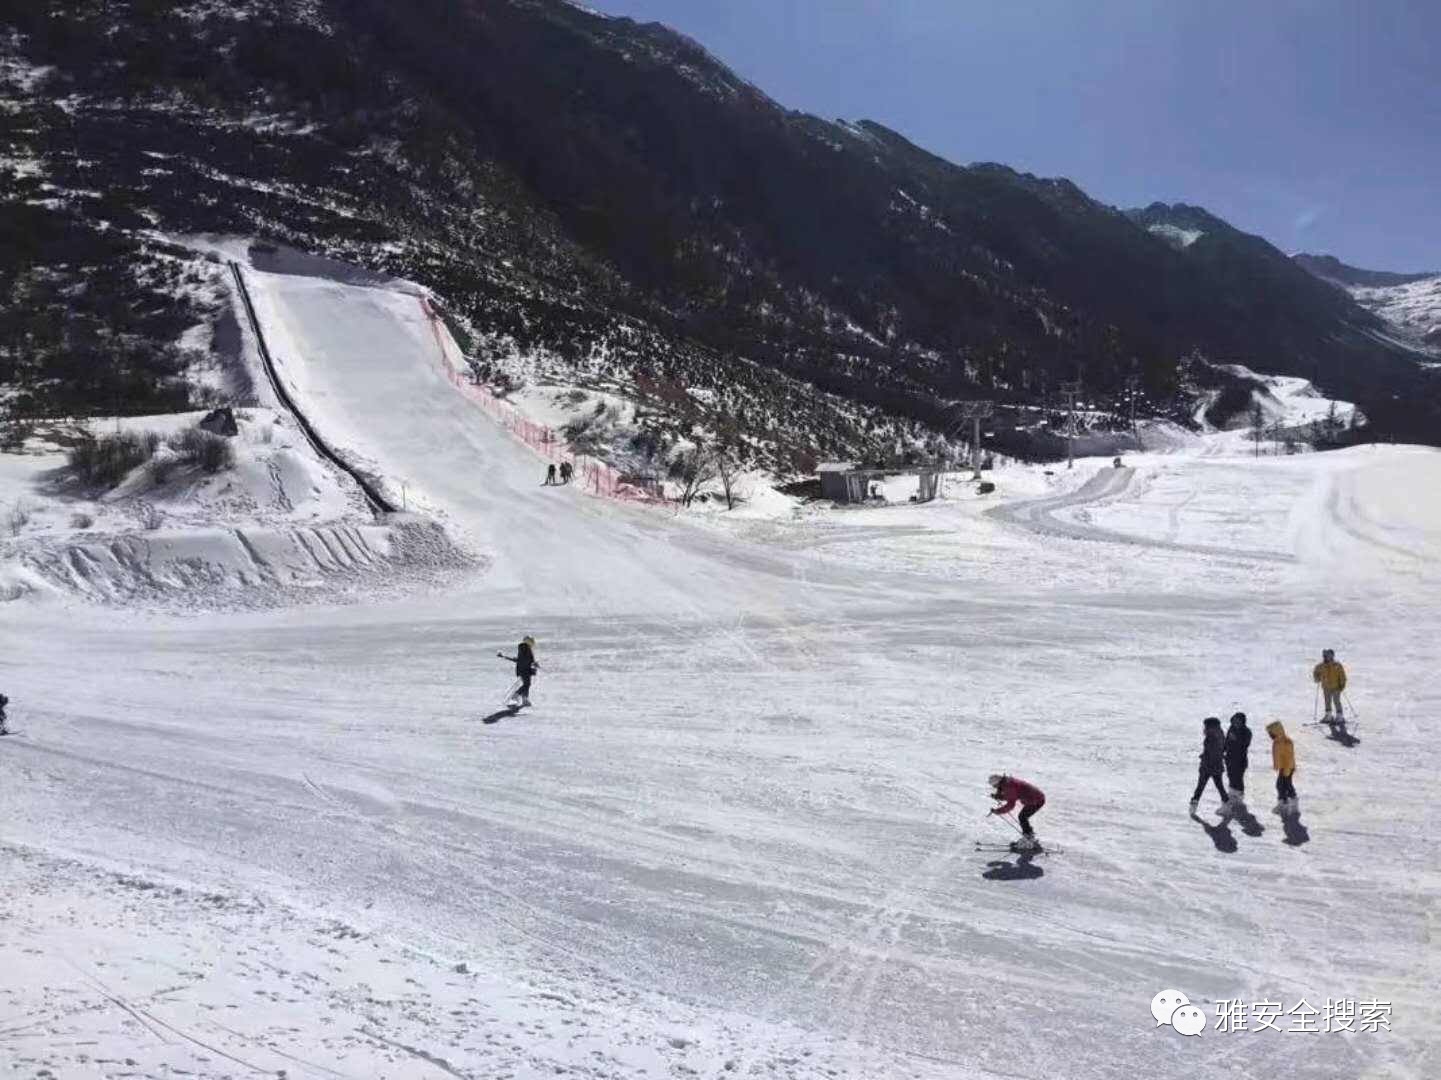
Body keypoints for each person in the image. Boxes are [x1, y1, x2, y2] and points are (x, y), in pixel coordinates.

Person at [988, 773, 1046, 851]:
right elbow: (1012, 795)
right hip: (1035, 798)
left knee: (1022, 817)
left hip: (1036, 800)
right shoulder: (1007, 782)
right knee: (1023, 817)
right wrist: (999, 796)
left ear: (998, 783)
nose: (995, 788)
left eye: (994, 786)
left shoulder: (1008, 786)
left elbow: (1011, 804)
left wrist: (998, 811)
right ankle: (1029, 837)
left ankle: (1029, 839)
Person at [1189, 716, 1230, 815]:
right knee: (1219, 786)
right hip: (1217, 765)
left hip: (1208, 766)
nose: (1204, 728)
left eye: (1206, 726)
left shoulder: (1211, 736)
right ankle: (1227, 806)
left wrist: (1206, 758)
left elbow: (1213, 751)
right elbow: (1222, 749)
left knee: (1200, 787)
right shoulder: (1220, 734)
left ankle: (1193, 806)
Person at [1266, 720, 1298, 815]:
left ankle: (1291, 802)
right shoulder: (1277, 741)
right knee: (1282, 785)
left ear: (1277, 731)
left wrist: (1287, 769)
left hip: (1288, 767)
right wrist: (1277, 765)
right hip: (1283, 767)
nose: (1270, 735)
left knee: (1285, 785)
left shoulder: (1286, 742)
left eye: (1271, 733)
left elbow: (1289, 757)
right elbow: (1277, 755)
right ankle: (1284, 802)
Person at [497, 636, 539, 707]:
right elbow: (525, 660)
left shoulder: (525, 649)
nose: (533, 643)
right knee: (527, 684)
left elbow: (521, 659)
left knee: (527, 684)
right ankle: (516, 695)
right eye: (532, 642)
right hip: (524, 670)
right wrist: (533, 664)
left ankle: (525, 699)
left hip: (524, 669)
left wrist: (504, 656)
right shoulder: (525, 648)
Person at [1224, 712, 1251, 804]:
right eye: (1235, 720)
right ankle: (1232, 796)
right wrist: (1221, 751)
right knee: (1231, 776)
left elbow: (1245, 744)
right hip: (1229, 758)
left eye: (1238, 720)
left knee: (1238, 778)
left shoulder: (1246, 731)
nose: (1236, 722)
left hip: (1240, 760)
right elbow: (1226, 742)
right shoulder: (1231, 729)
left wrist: (1236, 738)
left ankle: (1239, 797)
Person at [1313, 649, 1347, 722]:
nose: (1326, 657)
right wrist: (1317, 678)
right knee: (1327, 701)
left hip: (1336, 687)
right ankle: (1328, 715)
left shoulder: (1337, 665)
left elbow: (1342, 676)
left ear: (1332, 656)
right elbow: (1316, 672)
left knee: (1336, 701)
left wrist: (1342, 684)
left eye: (1328, 655)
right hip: (1326, 687)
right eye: (1325, 656)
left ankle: (1339, 716)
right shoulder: (1321, 666)